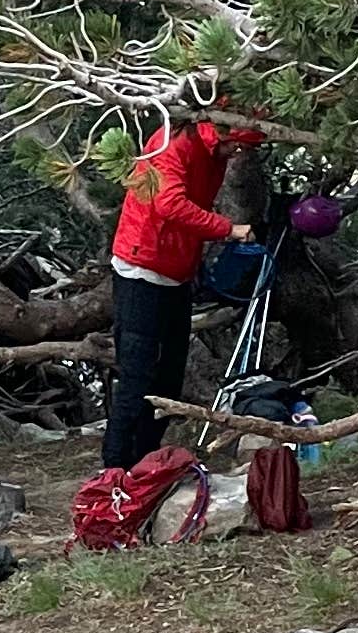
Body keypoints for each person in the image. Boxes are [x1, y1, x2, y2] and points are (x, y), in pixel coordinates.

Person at [101, 107, 261, 471]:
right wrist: (227, 229)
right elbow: (169, 204)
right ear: (222, 132)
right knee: (137, 374)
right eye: (237, 146)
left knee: (169, 376)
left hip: (177, 270)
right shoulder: (173, 144)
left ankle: (143, 460)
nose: (238, 155)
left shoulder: (213, 152)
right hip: (142, 268)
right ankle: (114, 467)